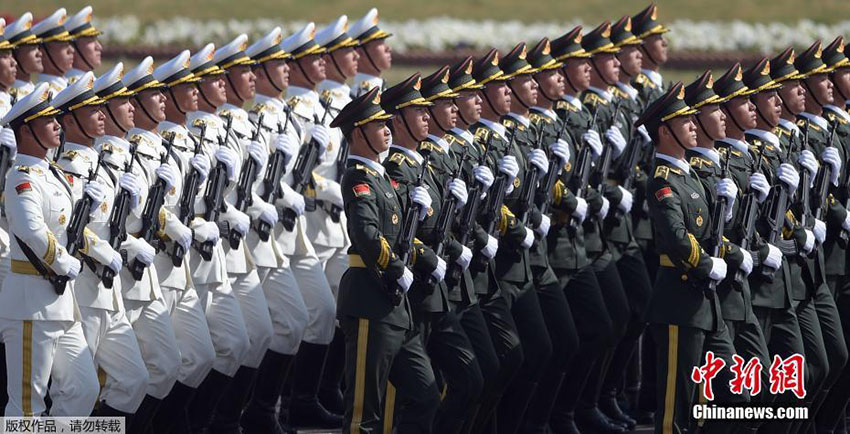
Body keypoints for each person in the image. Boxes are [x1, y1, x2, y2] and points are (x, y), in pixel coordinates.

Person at [638, 81, 747, 434]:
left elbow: (709, 234)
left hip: (704, 306)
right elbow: (677, 240)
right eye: (684, 122)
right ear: (665, 131)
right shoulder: (662, 180)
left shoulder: (690, 176)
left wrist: (734, 249)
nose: (693, 126)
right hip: (679, 305)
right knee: (676, 411)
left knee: (735, 392)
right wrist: (707, 263)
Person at [332, 85, 441, 433]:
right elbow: (366, 234)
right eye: (378, 125)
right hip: (369, 299)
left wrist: (424, 253)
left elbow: (398, 236)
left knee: (425, 394)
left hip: (394, 306)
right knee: (365, 414)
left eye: (386, 123)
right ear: (358, 132)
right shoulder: (358, 178)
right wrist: (398, 268)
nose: (387, 130)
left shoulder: (381, 178)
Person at [0, 82, 99, 416]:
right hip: (31, 303)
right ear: (27, 130)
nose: (58, 125)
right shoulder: (20, 177)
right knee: (27, 404)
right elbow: (31, 230)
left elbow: (72, 230)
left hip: (61, 305)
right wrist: (62, 261)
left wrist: (98, 250)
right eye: (48, 120)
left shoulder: (53, 174)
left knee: (84, 389)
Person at [148, 50, 219, 432]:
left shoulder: (190, 142)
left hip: (183, 265)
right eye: (183, 87)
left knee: (197, 356)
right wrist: (176, 226)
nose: (194, 91)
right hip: (153, 268)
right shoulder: (154, 150)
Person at [280, 22, 345, 428]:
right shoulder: (294, 114)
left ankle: (316, 391)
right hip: (309, 227)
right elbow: (288, 176)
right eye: (314, 57)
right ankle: (291, 398)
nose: (322, 62)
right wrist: (329, 190)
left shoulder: (326, 109)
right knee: (310, 315)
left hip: (334, 229)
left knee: (334, 313)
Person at [31, 8, 75, 97]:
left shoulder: (69, 86)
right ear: (42, 53)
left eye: (69, 43)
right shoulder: (46, 96)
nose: (71, 50)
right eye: (63, 45)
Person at [349, 8, 392, 98]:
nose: (388, 48)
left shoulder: (379, 88)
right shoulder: (364, 95)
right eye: (380, 43)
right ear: (360, 53)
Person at [6, 12, 43, 102]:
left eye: (37, 47)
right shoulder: (12, 98)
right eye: (32, 48)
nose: (39, 53)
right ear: (14, 54)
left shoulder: (37, 90)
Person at [65, 6, 103, 83]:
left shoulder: (93, 82)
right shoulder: (73, 88)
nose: (99, 47)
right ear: (73, 46)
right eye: (90, 40)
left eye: (96, 39)